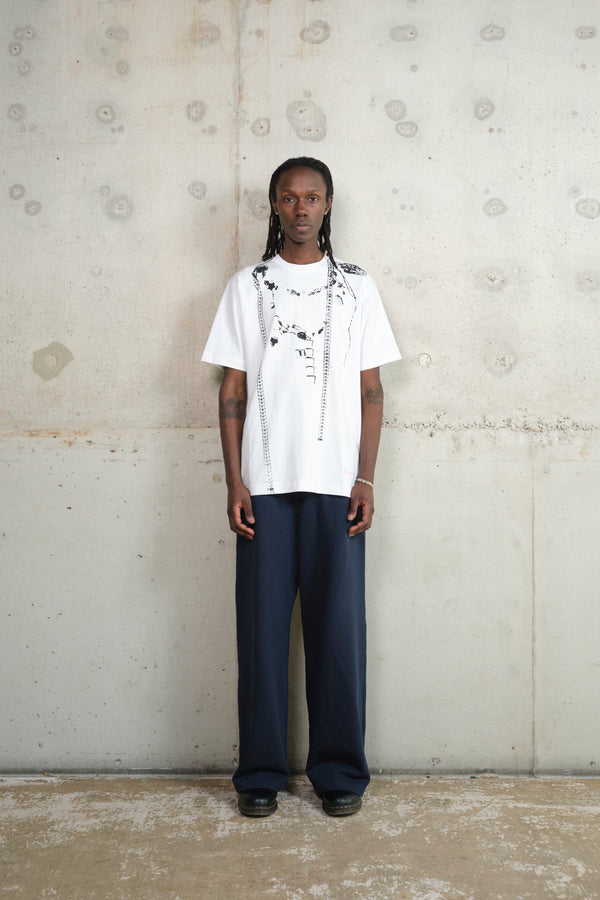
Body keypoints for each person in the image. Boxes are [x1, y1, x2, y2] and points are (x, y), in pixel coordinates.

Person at [202, 157, 401, 818]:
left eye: (312, 197)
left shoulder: (356, 287)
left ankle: (340, 772)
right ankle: (259, 774)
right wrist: (234, 480)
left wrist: (366, 475)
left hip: (336, 487)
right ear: (274, 206)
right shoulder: (246, 287)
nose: (300, 208)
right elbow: (232, 391)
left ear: (328, 204)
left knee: (338, 635)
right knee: (259, 636)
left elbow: (372, 391)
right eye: (288, 198)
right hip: (263, 485)